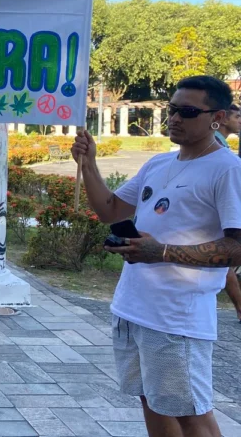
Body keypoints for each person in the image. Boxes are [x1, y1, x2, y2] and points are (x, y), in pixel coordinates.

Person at [72, 75, 241, 437]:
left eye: (188, 111)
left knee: (191, 412)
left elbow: (237, 246)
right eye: (172, 109)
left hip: (177, 317)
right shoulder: (158, 163)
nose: (175, 118)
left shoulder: (228, 169)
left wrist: (161, 251)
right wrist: (89, 164)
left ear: (218, 117)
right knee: (151, 400)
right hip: (134, 307)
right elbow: (110, 209)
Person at [214, 104, 241, 322]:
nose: (240, 120)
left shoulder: (222, 144)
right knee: (225, 265)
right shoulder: (214, 146)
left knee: (225, 266)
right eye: (237, 116)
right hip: (218, 217)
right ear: (222, 119)